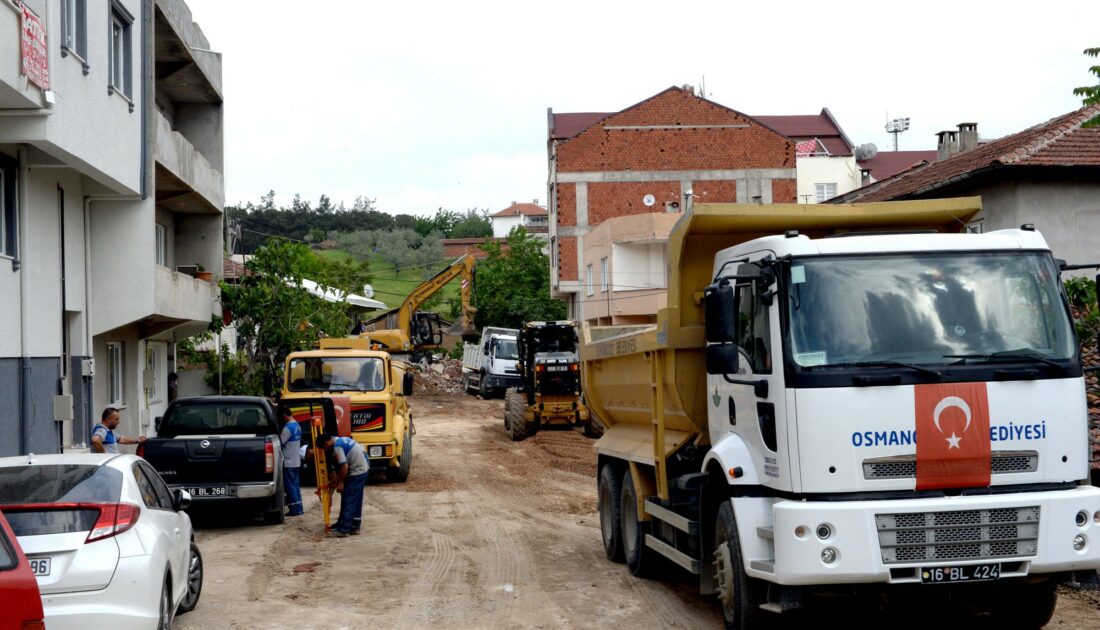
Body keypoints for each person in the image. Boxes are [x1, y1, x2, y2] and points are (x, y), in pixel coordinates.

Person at [314, 433, 369, 537]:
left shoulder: (337, 447)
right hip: (362, 468)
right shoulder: (340, 439)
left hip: (357, 471)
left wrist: (340, 483)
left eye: (324, 448)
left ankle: (343, 529)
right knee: (355, 499)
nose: (325, 450)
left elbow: (344, 467)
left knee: (348, 499)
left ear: (326, 443)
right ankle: (354, 525)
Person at [279, 407, 304, 517]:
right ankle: (299, 507)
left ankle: (294, 509)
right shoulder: (297, 426)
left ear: (284, 415)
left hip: (288, 461)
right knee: (296, 485)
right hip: (296, 460)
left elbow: (280, 442)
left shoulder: (288, 428)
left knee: (290, 486)